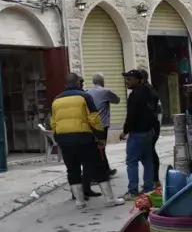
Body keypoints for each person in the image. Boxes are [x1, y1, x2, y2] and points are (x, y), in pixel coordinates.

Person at [51, 73, 124, 208]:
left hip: (64, 140)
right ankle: (109, 199)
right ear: (78, 83)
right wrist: (101, 137)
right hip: (84, 138)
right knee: (99, 167)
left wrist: (58, 138)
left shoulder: (56, 100)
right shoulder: (84, 97)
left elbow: (53, 123)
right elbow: (94, 119)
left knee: (72, 170)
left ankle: (79, 202)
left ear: (65, 84)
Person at [121, 70, 157, 201]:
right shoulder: (149, 91)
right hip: (149, 131)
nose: (127, 82)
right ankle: (148, 189)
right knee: (147, 160)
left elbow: (131, 115)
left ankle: (133, 191)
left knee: (131, 161)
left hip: (137, 132)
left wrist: (125, 131)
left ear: (137, 80)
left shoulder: (135, 95)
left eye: (129, 79)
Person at [87, 72, 121, 177]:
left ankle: (105, 170)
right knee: (101, 148)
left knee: (94, 148)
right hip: (102, 126)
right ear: (102, 81)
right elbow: (117, 100)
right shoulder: (105, 92)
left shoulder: (87, 92)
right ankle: (102, 173)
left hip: (91, 125)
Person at [138, 69, 162, 187]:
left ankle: (154, 179)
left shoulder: (147, 91)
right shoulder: (149, 89)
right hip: (153, 125)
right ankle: (153, 178)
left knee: (149, 152)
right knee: (149, 152)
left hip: (150, 126)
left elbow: (151, 110)